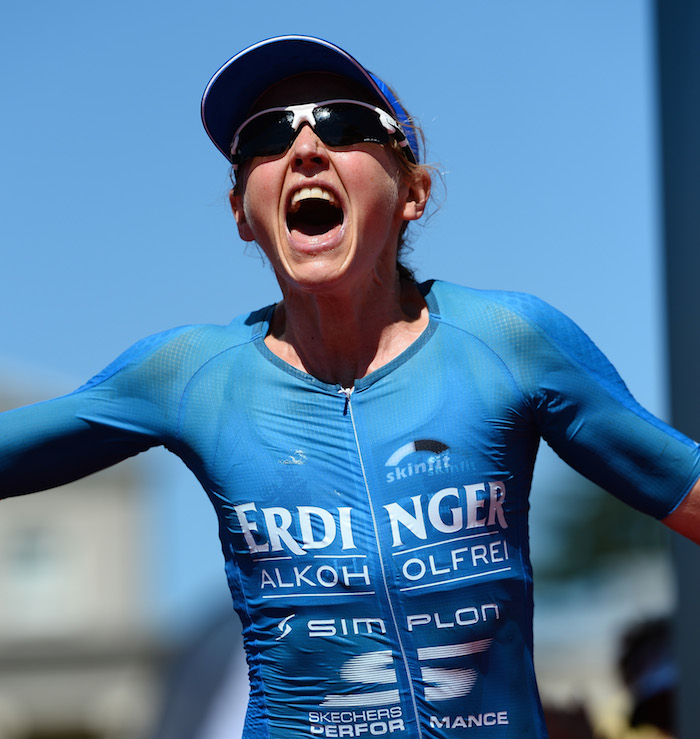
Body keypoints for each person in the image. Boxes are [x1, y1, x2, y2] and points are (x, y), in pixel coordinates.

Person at [1, 34, 699, 739]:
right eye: (267, 136)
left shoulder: (510, 342)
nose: (305, 149)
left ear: (414, 194)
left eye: (343, 124)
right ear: (243, 213)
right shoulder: (190, 376)